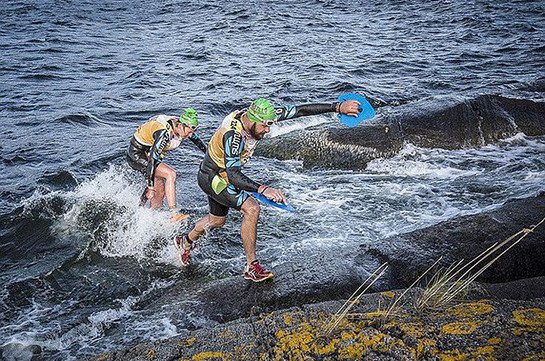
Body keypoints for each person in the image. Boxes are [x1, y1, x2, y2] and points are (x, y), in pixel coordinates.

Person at [174, 98, 360, 282]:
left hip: (217, 174)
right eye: (265, 126)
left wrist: (336, 107)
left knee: (216, 220)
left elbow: (299, 111)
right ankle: (251, 267)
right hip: (212, 178)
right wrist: (262, 189)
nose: (268, 130)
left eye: (270, 124)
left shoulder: (255, 118)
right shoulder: (233, 136)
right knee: (252, 208)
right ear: (253, 120)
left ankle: (185, 242)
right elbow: (233, 175)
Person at [126, 108, 207, 223]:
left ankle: (148, 216)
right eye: (189, 131)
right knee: (170, 174)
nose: (191, 135)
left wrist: (210, 156)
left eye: (192, 132)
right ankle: (174, 213)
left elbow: (198, 142)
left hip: (148, 154)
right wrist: (150, 186)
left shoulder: (181, 128)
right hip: (137, 155)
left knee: (160, 193)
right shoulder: (164, 133)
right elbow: (152, 159)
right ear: (181, 125)